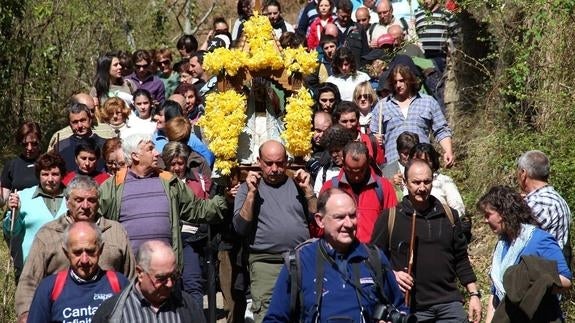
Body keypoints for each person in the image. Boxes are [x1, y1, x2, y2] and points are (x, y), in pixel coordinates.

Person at [264, 188, 407, 322]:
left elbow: (400, 309)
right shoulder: (300, 262)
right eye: (339, 217)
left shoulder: (374, 258)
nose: (349, 223)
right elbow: (274, 318)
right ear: (320, 220)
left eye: (352, 216)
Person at [371, 160, 481, 323]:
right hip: (412, 308)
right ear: (405, 183)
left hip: (449, 305)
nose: (422, 188)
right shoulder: (391, 217)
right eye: (416, 182)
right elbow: (373, 258)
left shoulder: (449, 215)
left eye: (427, 182)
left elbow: (461, 258)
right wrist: (392, 273)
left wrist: (474, 294)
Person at [15, 176, 135, 323]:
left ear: (98, 203)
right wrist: (26, 313)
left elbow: (130, 275)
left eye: (91, 200)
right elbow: (30, 279)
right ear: (67, 202)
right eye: (79, 200)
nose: (85, 206)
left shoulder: (115, 231)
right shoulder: (48, 234)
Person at [98, 133, 227, 266]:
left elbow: (197, 209)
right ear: (135, 156)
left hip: (165, 271)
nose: (157, 153)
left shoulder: (169, 181)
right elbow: (94, 218)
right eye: (150, 149)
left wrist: (224, 198)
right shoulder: (113, 186)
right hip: (127, 270)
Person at [233, 140, 317, 323]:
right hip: (265, 262)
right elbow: (240, 227)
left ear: (286, 161)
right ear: (259, 161)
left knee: (304, 312)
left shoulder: (298, 185)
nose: (274, 169)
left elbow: (317, 218)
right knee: (267, 314)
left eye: (279, 163)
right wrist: (251, 195)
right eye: (269, 163)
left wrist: (309, 192)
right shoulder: (247, 188)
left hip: (300, 261)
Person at [477, 185, 572, 323]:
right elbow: (496, 292)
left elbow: (566, 280)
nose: (485, 220)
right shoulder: (501, 245)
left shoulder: (539, 239)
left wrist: (534, 278)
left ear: (503, 212)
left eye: (488, 215)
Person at [27, 222, 130, 322]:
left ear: (100, 250)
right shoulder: (49, 288)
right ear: (66, 253)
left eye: (90, 251)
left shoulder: (119, 284)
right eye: (77, 252)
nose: (84, 260)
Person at [92, 240, 206, 322]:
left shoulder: (187, 305)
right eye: (161, 278)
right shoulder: (112, 312)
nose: (170, 284)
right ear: (140, 273)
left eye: (174, 276)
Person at [370, 63, 454, 166]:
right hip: (394, 166)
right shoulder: (382, 105)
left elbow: (441, 130)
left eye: (401, 81)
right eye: (395, 82)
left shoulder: (428, 102)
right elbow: (372, 135)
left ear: (409, 80)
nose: (398, 85)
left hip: (422, 164)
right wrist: (375, 138)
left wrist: (448, 151)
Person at [3, 153, 68, 279]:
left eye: (55, 174)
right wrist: (14, 214)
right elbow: (10, 232)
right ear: (38, 175)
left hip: (66, 270)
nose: (50, 179)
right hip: (31, 270)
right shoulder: (23, 197)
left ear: (62, 175)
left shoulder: (73, 198)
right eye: (45, 174)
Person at [320, 141, 396, 242]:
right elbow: (321, 225)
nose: (356, 177)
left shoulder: (383, 187)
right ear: (343, 161)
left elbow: (393, 223)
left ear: (368, 161)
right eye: (350, 170)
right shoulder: (330, 187)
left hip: (373, 253)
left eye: (361, 170)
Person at [517, 150, 572, 256]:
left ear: (523, 174)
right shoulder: (554, 198)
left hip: (544, 268)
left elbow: (515, 235)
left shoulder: (540, 203)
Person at [409, 143, 465, 216]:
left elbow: (459, 209)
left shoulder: (444, 181)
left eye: (425, 161)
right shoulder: (406, 183)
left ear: (433, 161)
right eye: (417, 161)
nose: (421, 165)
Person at [48, 93, 116, 151]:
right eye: (86, 110)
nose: (91, 114)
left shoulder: (107, 131)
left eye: (92, 110)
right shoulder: (60, 137)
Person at [55, 101, 107, 172]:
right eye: (75, 122)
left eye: (83, 120)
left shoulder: (105, 145)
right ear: (69, 124)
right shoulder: (60, 147)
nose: (79, 126)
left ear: (90, 120)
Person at [1, 121, 42, 205]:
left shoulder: (48, 163)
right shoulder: (11, 165)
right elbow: (3, 198)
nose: (29, 148)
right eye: (25, 144)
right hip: (17, 214)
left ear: (39, 142)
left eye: (34, 144)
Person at [332, 101, 384, 166]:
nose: (349, 125)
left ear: (358, 120)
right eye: (344, 122)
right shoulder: (333, 145)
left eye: (352, 121)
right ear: (337, 122)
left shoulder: (371, 141)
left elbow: (381, 166)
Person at [313, 124, 356, 194]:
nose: (334, 155)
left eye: (337, 150)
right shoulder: (324, 172)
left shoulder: (357, 169)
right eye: (331, 152)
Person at [381, 131, 419, 198]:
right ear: (398, 151)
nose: (408, 157)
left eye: (412, 153)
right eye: (405, 153)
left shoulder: (422, 168)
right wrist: (391, 183)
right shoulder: (387, 172)